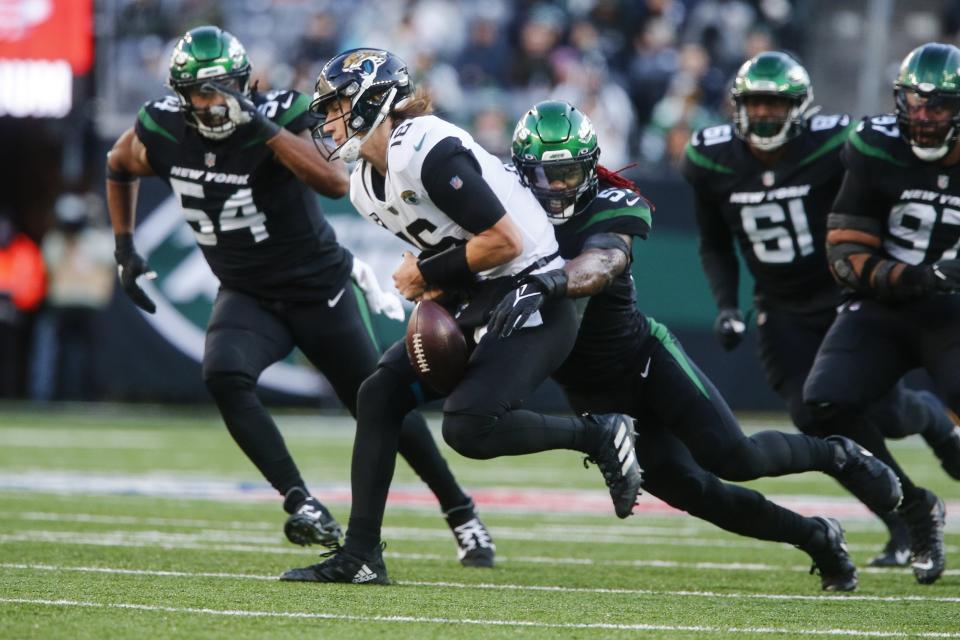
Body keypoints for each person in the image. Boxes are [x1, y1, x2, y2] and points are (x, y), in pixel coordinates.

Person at [104, 27, 494, 568]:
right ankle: (302, 502)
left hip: (318, 289)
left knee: (377, 404)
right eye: (202, 92)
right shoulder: (164, 128)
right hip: (247, 292)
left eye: (226, 89)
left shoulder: (277, 116)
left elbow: (333, 182)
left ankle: (462, 514)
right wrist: (124, 245)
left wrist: (259, 127)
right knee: (222, 374)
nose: (215, 104)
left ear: (246, 85)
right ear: (180, 94)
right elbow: (120, 162)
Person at [484, 100, 905, 591]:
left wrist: (547, 284)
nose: (557, 188)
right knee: (700, 494)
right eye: (545, 175)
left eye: (569, 173)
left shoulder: (613, 201)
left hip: (644, 359)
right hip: (594, 398)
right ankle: (817, 538)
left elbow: (602, 263)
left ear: (592, 165)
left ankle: (837, 454)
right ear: (520, 172)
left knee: (736, 458)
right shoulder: (502, 218)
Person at [279, 48, 643, 585]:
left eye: (335, 106)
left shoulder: (424, 145)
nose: (328, 121)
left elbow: (503, 241)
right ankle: (360, 557)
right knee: (378, 393)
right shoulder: (364, 186)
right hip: (479, 293)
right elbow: (457, 264)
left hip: (532, 290)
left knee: (470, 428)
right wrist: (432, 286)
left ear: (372, 100)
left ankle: (598, 434)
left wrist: (424, 274)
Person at [681, 51, 960, 568]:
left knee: (886, 413)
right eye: (755, 103)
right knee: (818, 415)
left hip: (848, 294)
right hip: (781, 304)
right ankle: (903, 520)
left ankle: (928, 419)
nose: (764, 115)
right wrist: (726, 304)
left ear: (801, 107)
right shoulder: (711, 158)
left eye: (775, 104)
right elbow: (715, 242)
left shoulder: (837, 144)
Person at [804, 41, 960, 586]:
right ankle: (916, 511)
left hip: (954, 312)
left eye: (936, 106)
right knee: (824, 404)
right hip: (888, 304)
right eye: (913, 103)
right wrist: (916, 277)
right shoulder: (875, 146)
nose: (921, 116)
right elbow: (844, 250)